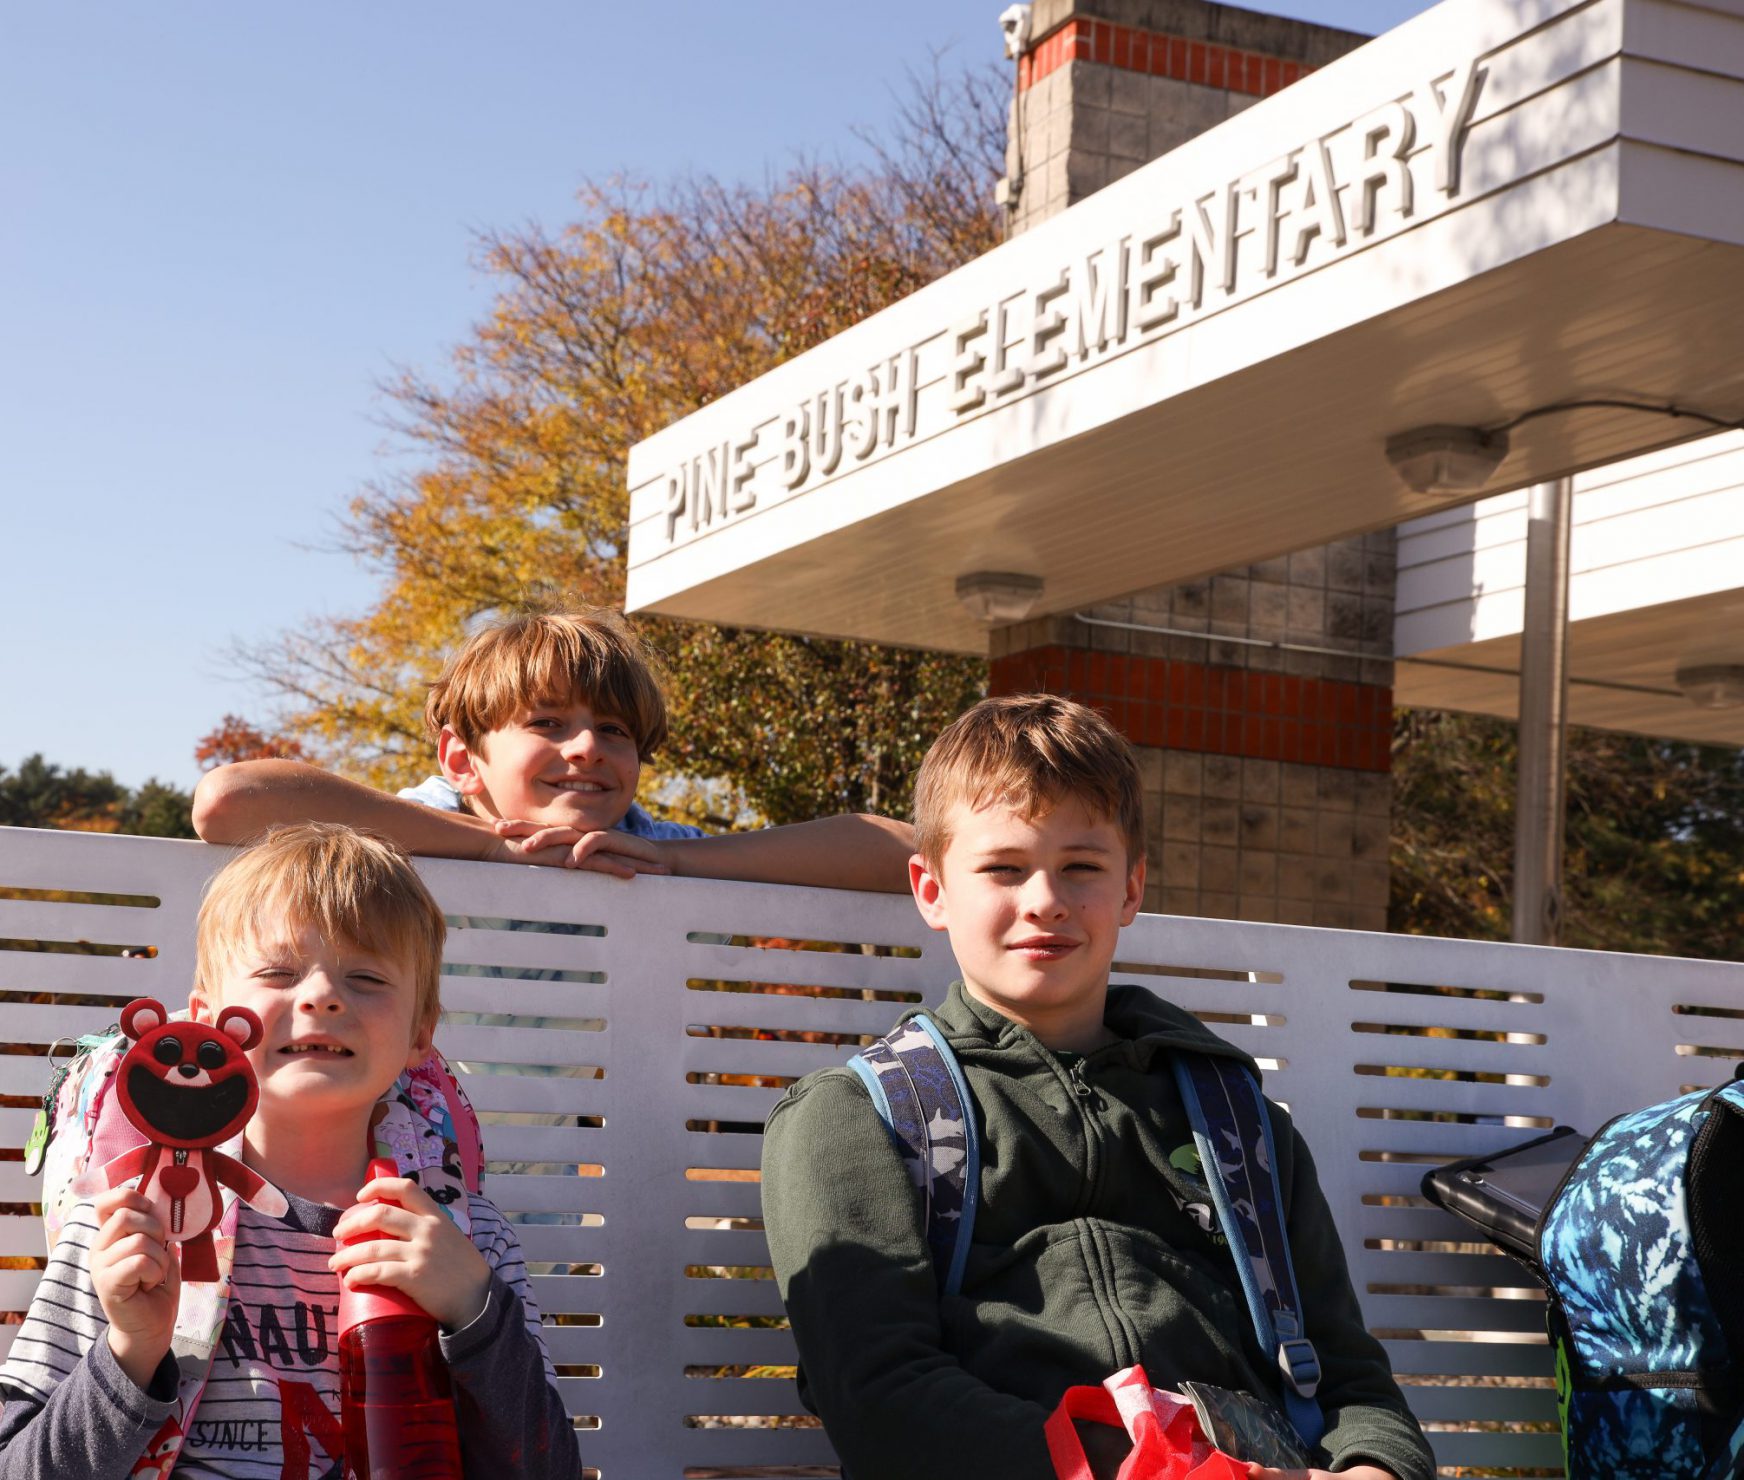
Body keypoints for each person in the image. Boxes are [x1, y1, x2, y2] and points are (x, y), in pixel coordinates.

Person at [759, 695, 1434, 1480]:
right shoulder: (859, 1121)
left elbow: (1351, 1381)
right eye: (1004, 868)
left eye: (1081, 867)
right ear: (932, 890)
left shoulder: (1236, 1128)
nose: (1045, 900)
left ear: (1132, 888)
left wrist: (1372, 1471)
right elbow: (881, 1396)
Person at [0, 823, 580, 1477]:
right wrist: (131, 1348)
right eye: (278, 971)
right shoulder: (133, 1230)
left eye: (365, 976)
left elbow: (548, 1468)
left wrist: (474, 1312)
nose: (321, 995)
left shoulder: (467, 1244)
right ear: (208, 1020)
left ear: (422, 1033)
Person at [192, 605, 913, 891]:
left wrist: (678, 861)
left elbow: (913, 855)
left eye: (615, 730)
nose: (587, 748)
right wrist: (485, 845)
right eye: (547, 723)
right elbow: (228, 802)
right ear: (459, 760)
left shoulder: (634, 844)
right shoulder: (408, 830)